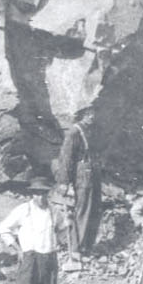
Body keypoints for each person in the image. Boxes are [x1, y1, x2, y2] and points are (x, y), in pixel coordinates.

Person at [55, 105, 101, 257]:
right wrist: (64, 181)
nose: (92, 116)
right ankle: (76, 248)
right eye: (88, 114)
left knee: (94, 209)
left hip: (93, 173)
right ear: (81, 115)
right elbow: (66, 158)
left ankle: (87, 245)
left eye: (93, 113)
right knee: (83, 209)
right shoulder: (74, 132)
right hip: (82, 175)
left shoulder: (91, 131)